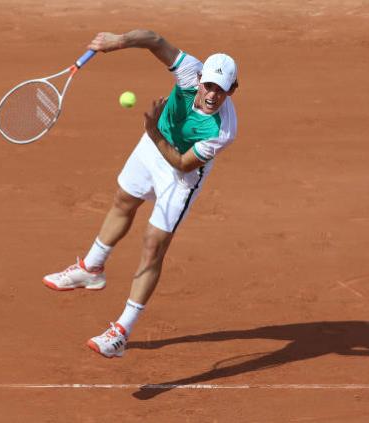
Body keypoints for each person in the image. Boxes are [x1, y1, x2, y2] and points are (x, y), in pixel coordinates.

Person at [42, 29, 239, 358]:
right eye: (209, 85)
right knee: (123, 200)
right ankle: (91, 269)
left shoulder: (222, 130)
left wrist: (153, 131)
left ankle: (122, 332)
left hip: (180, 175)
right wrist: (116, 42)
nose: (212, 95)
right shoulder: (189, 70)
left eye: (221, 90)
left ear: (232, 90)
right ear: (200, 76)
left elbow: (182, 163)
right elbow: (154, 40)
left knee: (153, 245)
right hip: (154, 144)